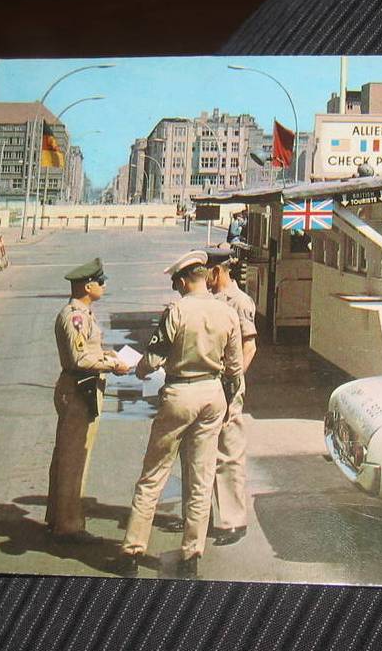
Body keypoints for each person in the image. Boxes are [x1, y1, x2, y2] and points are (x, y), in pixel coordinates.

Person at [112, 251, 243, 578]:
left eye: (176, 282)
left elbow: (154, 357)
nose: (175, 287)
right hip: (212, 394)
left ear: (185, 280)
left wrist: (136, 369)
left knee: (154, 472)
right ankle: (190, 555)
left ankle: (132, 550)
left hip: (179, 393)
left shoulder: (177, 311)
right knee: (201, 477)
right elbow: (235, 368)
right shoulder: (226, 312)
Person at [47, 258, 130, 542]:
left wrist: (108, 355)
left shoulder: (85, 312)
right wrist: (112, 365)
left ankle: (58, 516)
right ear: (87, 285)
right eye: (100, 281)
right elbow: (79, 358)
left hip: (83, 387)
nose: (103, 285)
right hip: (78, 388)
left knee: (67, 455)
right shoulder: (75, 316)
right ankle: (68, 526)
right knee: (74, 457)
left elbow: (89, 349)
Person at [204, 247, 257, 546]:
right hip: (214, 385)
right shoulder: (213, 301)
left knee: (229, 454)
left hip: (229, 385)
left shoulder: (239, 301)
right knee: (210, 452)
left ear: (218, 271)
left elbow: (250, 347)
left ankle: (234, 521)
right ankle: (214, 515)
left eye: (207, 273)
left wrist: (232, 381)